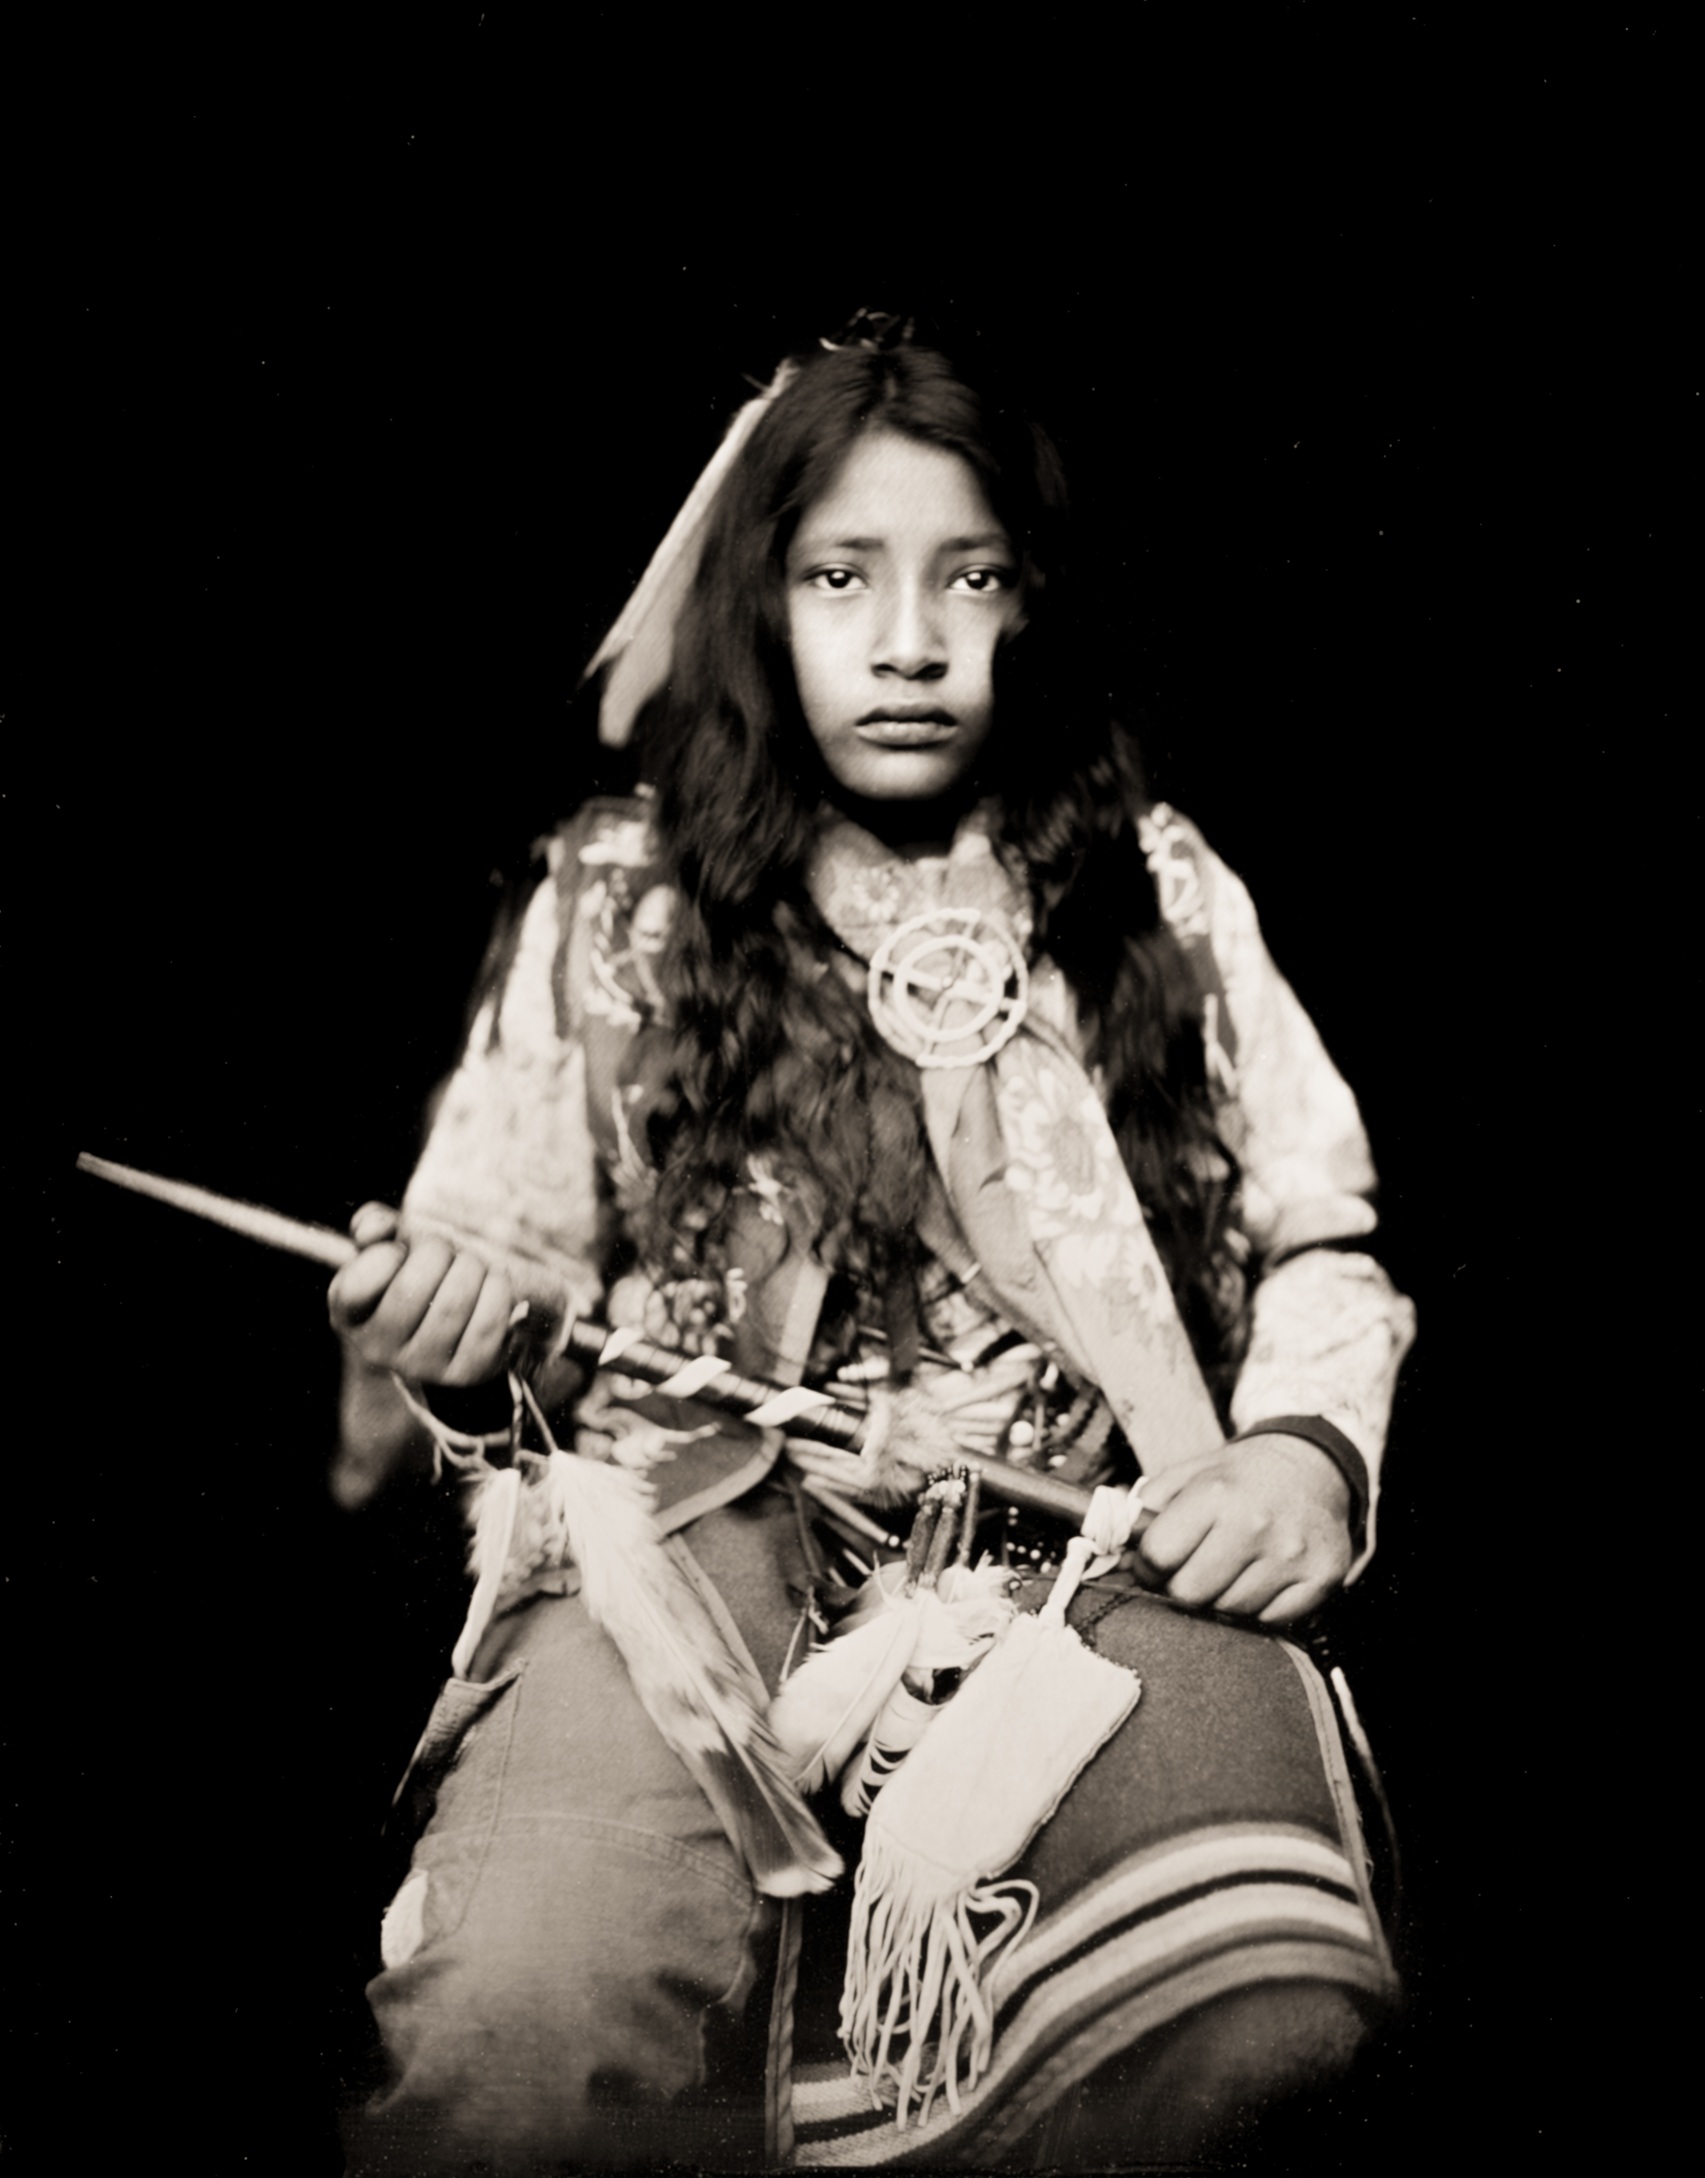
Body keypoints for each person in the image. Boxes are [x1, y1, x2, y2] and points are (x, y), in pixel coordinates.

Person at [330, 315, 1416, 2172]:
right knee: (526, 2022)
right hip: (686, 1548)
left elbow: (1319, 1231)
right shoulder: (616, 902)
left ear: (1028, 602)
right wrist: (459, 1334)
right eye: (841, 577)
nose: (908, 640)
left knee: (1260, 2021)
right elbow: (485, 1272)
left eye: (965, 577)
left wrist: (1301, 1456)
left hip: (1095, 1549)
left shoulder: (1151, 890)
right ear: (761, 604)